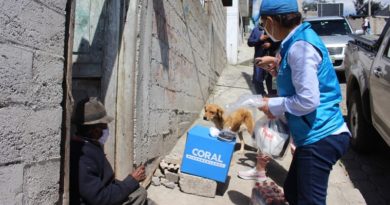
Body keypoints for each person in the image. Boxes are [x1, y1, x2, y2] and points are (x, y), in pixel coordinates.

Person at [255, 0, 350, 204]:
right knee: (292, 190)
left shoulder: (301, 47)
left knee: (308, 200)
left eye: (264, 24)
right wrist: (277, 68)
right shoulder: (297, 39)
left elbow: (307, 100)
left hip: (321, 136)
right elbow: (301, 76)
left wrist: (272, 104)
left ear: (271, 21)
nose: (265, 29)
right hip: (313, 133)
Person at [70, 97, 149, 205]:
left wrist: (128, 182)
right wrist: (132, 180)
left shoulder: (87, 145)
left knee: (138, 191)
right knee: (140, 194)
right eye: (105, 126)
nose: (106, 129)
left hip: (102, 194)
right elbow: (100, 198)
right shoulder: (82, 157)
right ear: (95, 130)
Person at [247, 23, 279, 96]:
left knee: (272, 81)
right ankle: (262, 96)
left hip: (272, 60)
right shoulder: (256, 30)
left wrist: (270, 45)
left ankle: (272, 97)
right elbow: (249, 43)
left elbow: (279, 43)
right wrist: (259, 39)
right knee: (257, 80)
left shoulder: (275, 29)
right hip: (259, 59)